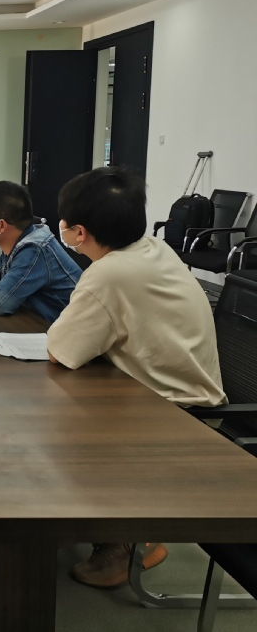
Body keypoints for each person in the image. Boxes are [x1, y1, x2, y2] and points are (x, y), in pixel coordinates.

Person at [46, 166, 226, 588]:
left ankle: (126, 541)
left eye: (65, 224)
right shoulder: (153, 248)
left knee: (49, 419)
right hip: (186, 396)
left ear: (79, 233)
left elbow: (60, 350)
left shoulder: (109, 273)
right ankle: (93, 524)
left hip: (176, 414)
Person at [0, 180, 81, 322]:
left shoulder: (34, 249)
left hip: (63, 329)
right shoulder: (17, 242)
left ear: (1, 225)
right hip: (37, 321)